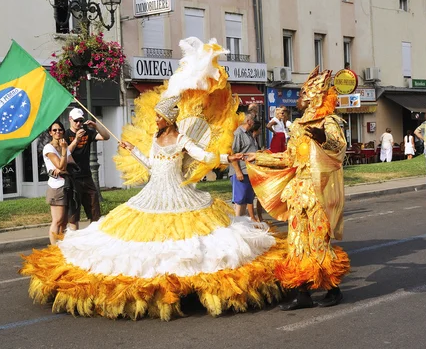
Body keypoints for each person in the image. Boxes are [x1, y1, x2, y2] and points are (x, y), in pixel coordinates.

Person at [21, 37, 288, 321]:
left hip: (179, 195)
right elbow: (151, 164)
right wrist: (132, 149)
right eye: (157, 116)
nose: (156, 120)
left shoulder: (182, 137)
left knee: (185, 242)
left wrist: (228, 159)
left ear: (169, 119)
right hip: (153, 194)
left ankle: (183, 285)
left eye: (160, 117)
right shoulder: (156, 138)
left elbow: (202, 156)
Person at [246, 67, 350, 311]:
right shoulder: (297, 126)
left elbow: (339, 148)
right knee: (297, 242)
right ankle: (303, 295)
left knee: (317, 243)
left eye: (302, 93)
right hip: (297, 193)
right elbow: (289, 159)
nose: (298, 99)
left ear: (314, 96)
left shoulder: (329, 121)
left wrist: (323, 137)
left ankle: (333, 289)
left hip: (318, 193)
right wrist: (257, 157)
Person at [65, 108, 110, 229]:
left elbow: (106, 137)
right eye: (76, 121)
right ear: (70, 119)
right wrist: (76, 140)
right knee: (74, 215)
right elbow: (65, 153)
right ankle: (74, 239)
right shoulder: (66, 135)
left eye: (81, 121)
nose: (79, 123)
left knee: (94, 212)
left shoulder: (87, 132)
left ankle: (93, 238)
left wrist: (96, 126)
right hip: (73, 178)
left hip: (87, 176)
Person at [43, 121, 73, 245]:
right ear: (50, 133)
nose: (57, 132)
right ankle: (54, 248)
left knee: (64, 221)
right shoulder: (48, 148)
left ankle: (60, 245)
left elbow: (72, 164)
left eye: (60, 130)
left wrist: (62, 168)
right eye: (54, 130)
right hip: (56, 187)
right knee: (57, 219)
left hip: (66, 185)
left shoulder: (63, 146)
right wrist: (64, 151)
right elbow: (61, 165)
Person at [230, 113, 259, 222]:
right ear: (249, 122)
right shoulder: (238, 133)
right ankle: (237, 224)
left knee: (247, 198)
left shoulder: (249, 134)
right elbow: (233, 153)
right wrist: (238, 171)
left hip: (249, 171)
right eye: (253, 122)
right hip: (241, 171)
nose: (254, 124)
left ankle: (242, 224)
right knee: (240, 199)